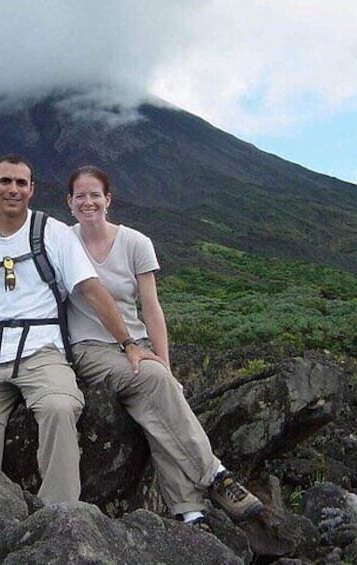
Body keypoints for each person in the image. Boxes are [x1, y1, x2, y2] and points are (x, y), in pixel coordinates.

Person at [0, 155, 161, 505]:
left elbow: (92, 289)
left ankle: (60, 515)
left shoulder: (53, 233)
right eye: (5, 181)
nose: (13, 189)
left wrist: (129, 344)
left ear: (32, 189)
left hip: (42, 351)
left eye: (21, 183)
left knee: (60, 408)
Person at [65, 165, 264, 527]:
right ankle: (216, 476)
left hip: (135, 344)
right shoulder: (63, 243)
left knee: (155, 396)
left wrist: (165, 363)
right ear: (70, 202)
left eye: (95, 194)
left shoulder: (135, 242)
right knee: (155, 384)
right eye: (81, 195)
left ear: (108, 199)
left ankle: (189, 510)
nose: (88, 201)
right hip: (90, 349)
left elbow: (151, 307)